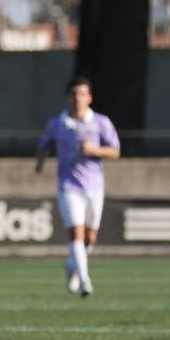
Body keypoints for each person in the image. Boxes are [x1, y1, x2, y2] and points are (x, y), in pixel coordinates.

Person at [35, 76, 120, 298]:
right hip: (68, 186)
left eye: (82, 94)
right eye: (74, 94)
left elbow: (115, 150)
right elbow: (44, 144)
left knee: (90, 238)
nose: (78, 98)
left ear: (90, 97)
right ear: (67, 97)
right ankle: (84, 281)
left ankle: (72, 265)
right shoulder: (58, 123)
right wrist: (40, 162)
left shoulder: (101, 122)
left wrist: (95, 150)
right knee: (76, 234)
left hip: (94, 186)